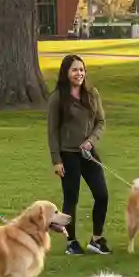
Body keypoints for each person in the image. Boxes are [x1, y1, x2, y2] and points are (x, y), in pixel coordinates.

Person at [47, 54, 110, 256]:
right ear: (66, 73)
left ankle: (97, 239)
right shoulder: (57, 98)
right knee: (70, 199)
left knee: (102, 194)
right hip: (68, 155)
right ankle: (71, 242)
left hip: (89, 154)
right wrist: (57, 160)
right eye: (75, 70)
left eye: (82, 69)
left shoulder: (92, 94)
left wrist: (91, 141)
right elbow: (52, 131)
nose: (79, 73)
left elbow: (101, 122)